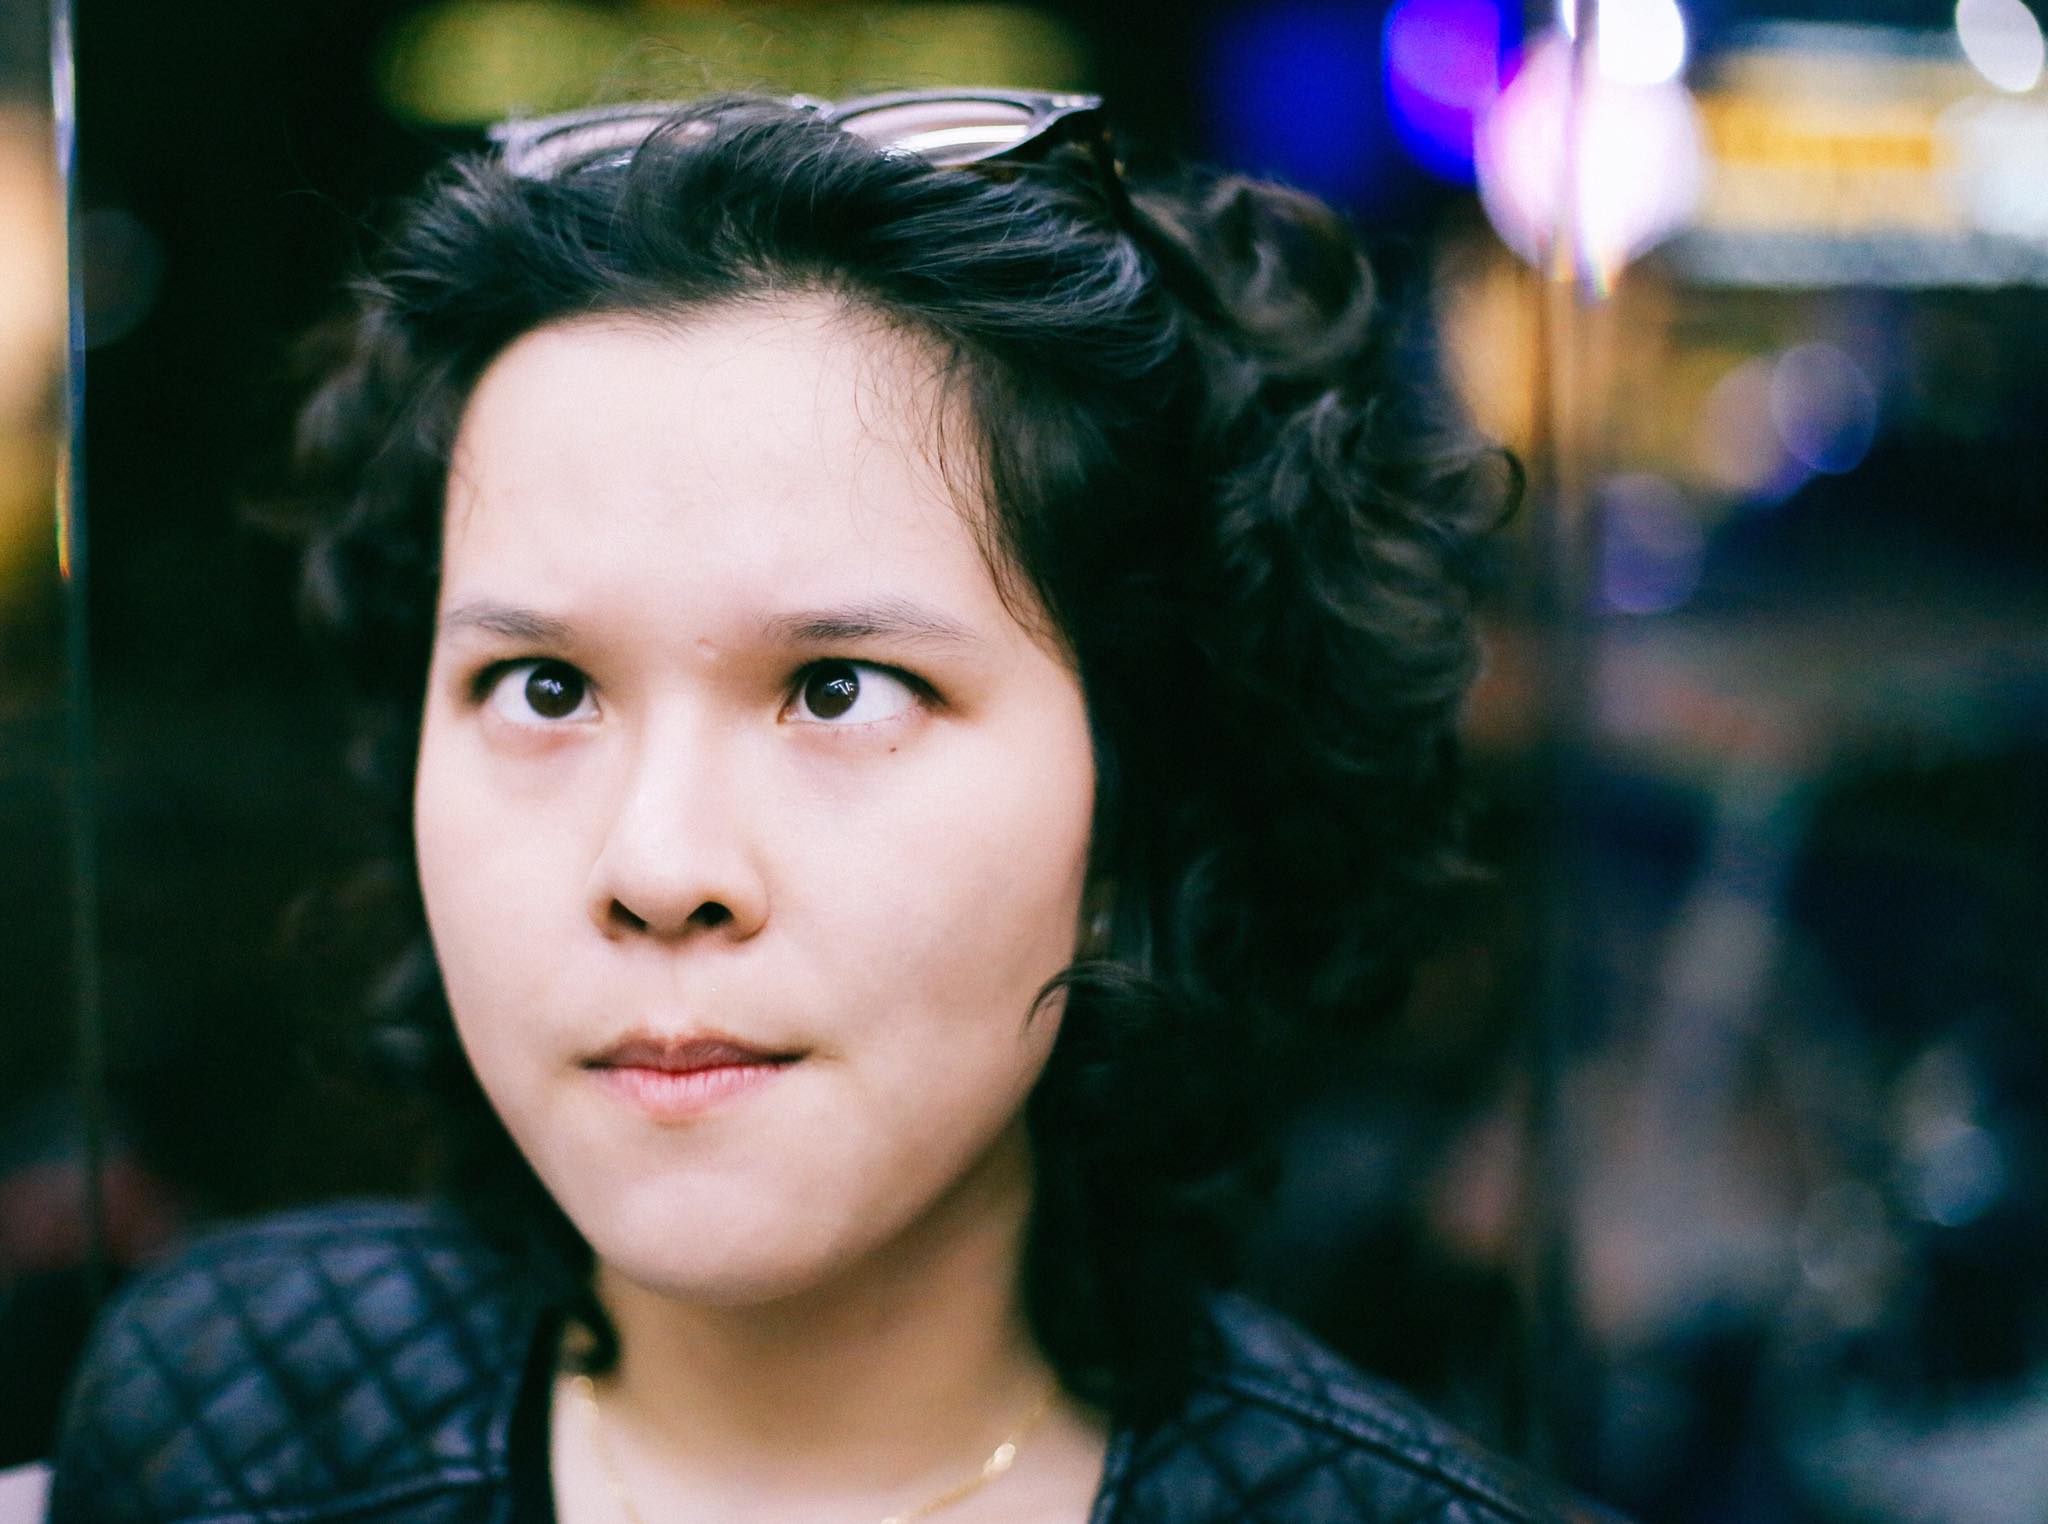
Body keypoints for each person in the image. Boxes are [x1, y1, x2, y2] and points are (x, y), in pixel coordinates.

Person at [46, 90, 1603, 1523]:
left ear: (1138, 792)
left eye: (842, 690)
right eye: (544, 687)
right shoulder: (232, 1418)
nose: (659, 865)